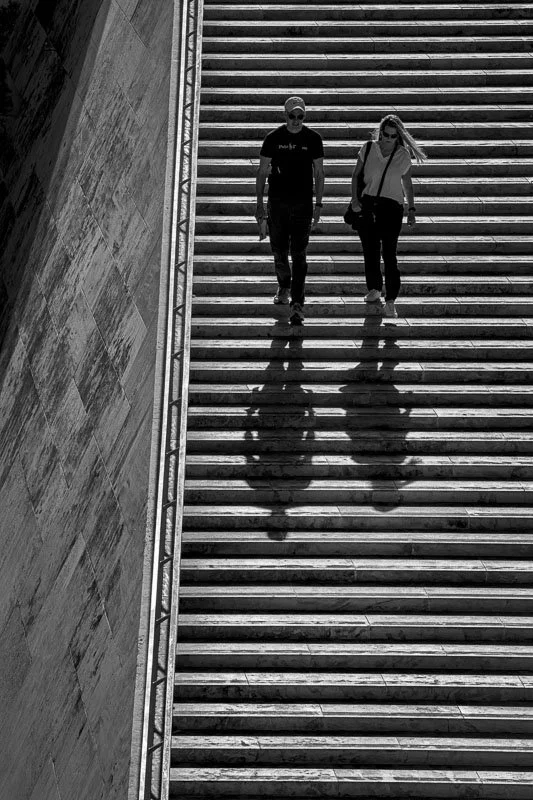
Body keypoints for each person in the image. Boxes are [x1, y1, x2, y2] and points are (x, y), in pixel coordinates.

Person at [256, 96, 325, 325]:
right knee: (279, 251)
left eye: (300, 116)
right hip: (277, 204)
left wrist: (319, 204)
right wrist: (259, 205)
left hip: (303, 205)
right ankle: (284, 284)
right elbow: (262, 171)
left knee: (299, 254)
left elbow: (319, 173)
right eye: (292, 116)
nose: (296, 120)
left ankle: (297, 303)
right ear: (285, 115)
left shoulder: (313, 139)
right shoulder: (273, 138)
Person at [350, 114, 427, 319]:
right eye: (385, 134)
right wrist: (354, 201)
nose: (388, 139)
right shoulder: (368, 148)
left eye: (393, 136)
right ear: (380, 131)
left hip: (392, 208)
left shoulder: (403, 154)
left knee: (389, 255)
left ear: (398, 136)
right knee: (370, 250)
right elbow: (356, 175)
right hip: (368, 204)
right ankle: (374, 287)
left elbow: (407, 184)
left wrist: (411, 209)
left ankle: (391, 300)